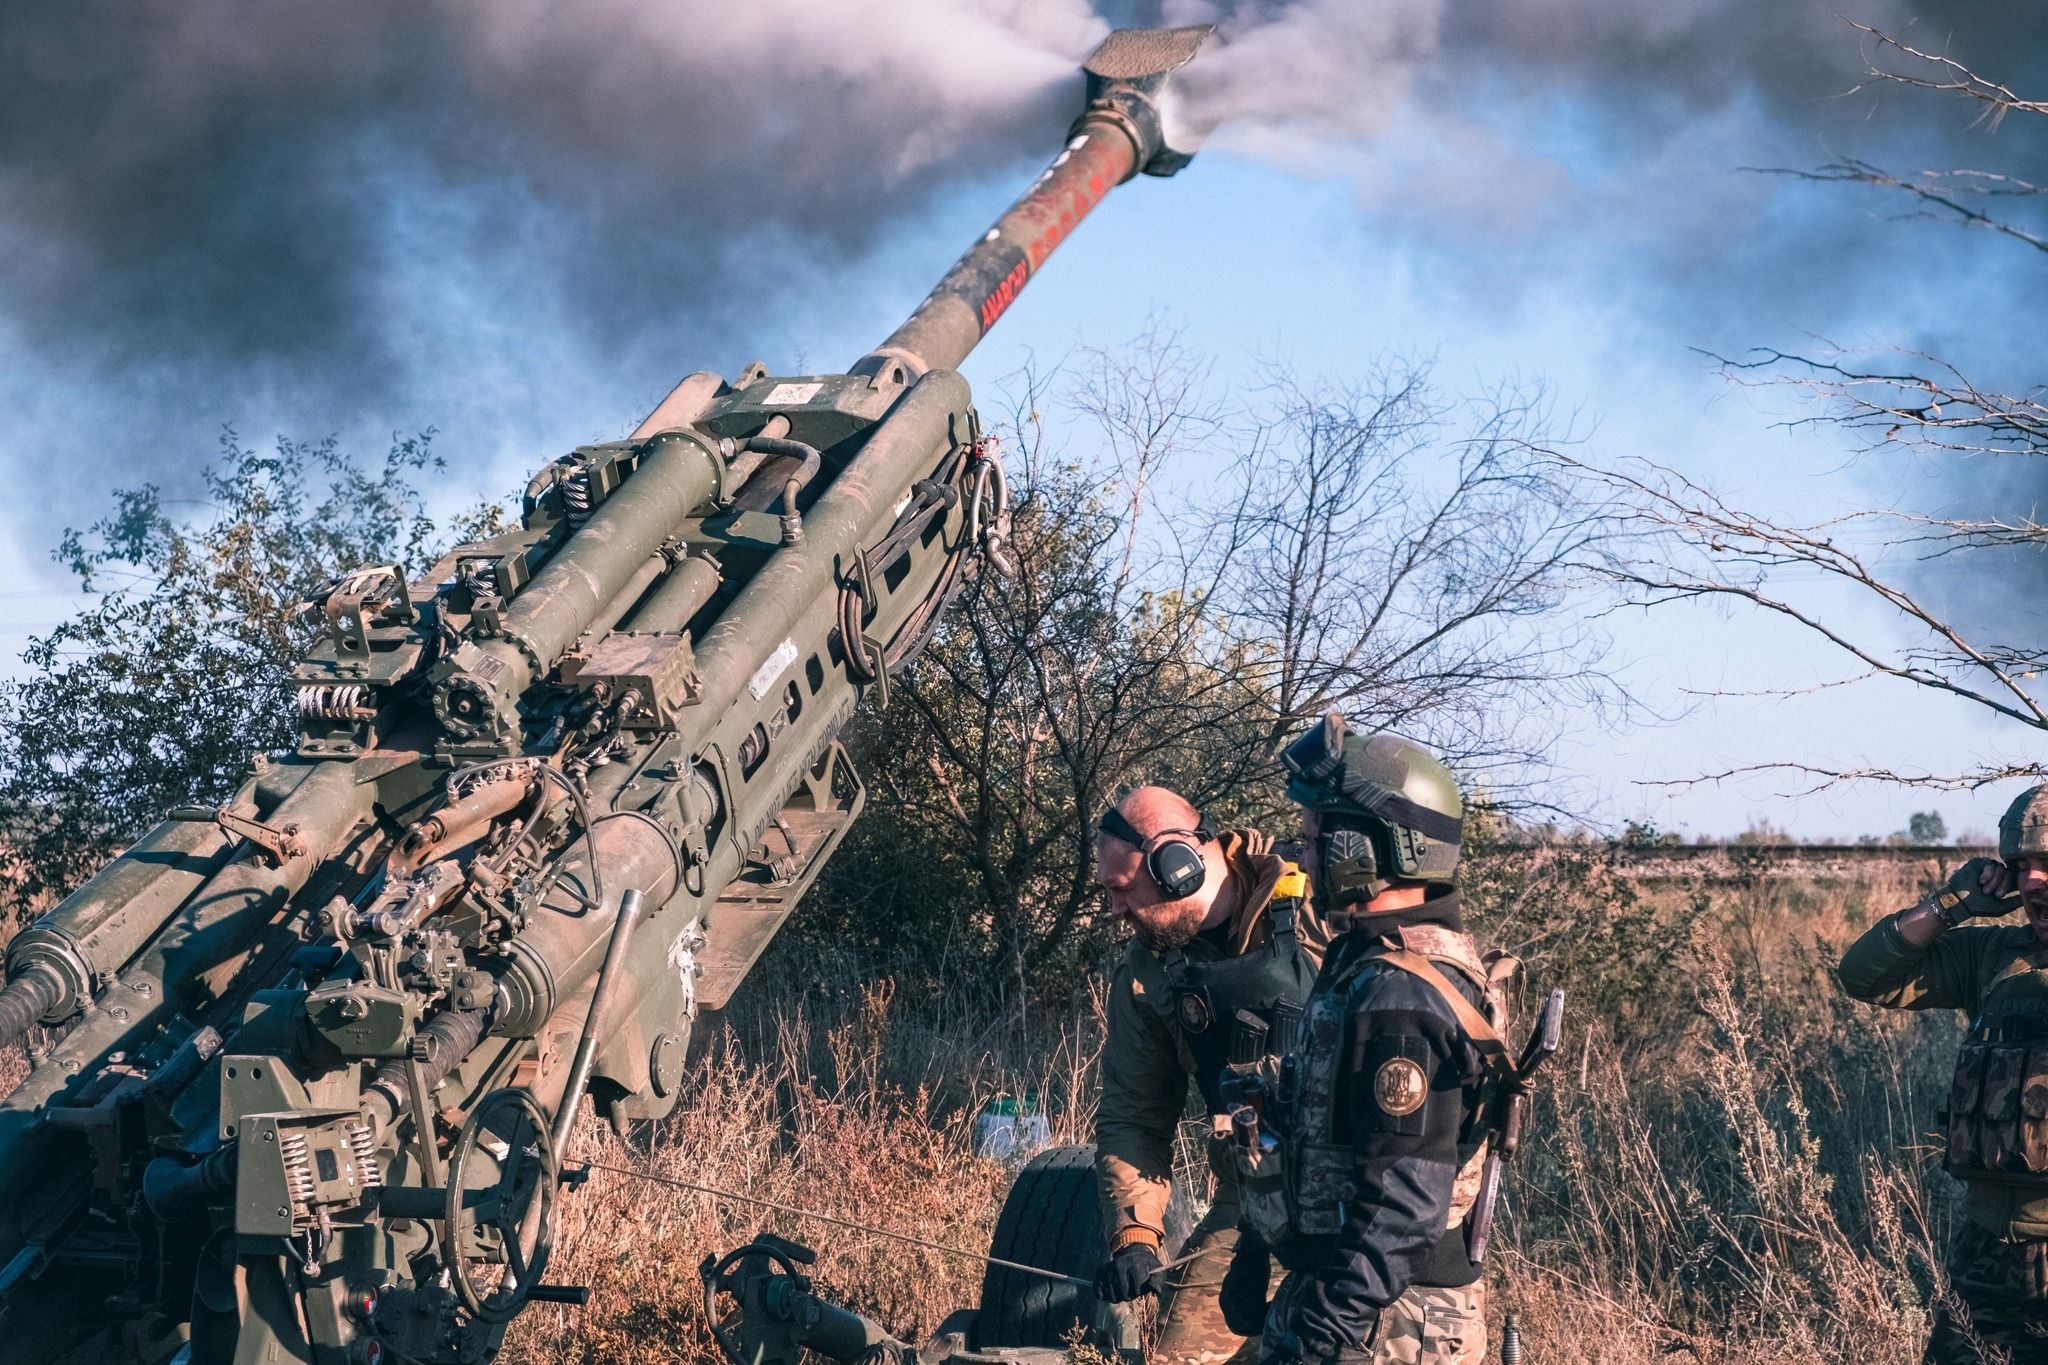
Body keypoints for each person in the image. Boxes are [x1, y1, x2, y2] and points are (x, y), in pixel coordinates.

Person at [1221, 714, 1514, 1365]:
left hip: (1389, 1319)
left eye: (1314, 841)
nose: (1303, 858)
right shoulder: (1368, 961)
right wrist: (1256, 1245)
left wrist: (1327, 1332)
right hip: (1351, 1295)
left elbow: (1403, 1204)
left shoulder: (1403, 995)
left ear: (1363, 850)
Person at [1093, 784, 1329, 1365]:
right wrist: (1136, 1236)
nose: (1115, 910)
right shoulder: (1147, 971)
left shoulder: (1321, 901)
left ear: (1176, 864)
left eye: (1123, 889)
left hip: (1366, 1200)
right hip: (1250, 1202)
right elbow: (1135, 1116)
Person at [1839, 785, 2048, 1364]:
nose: (2035, 881)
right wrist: (1949, 906)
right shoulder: (1990, 955)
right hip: (1990, 1252)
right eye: (2022, 866)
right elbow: (1863, 976)